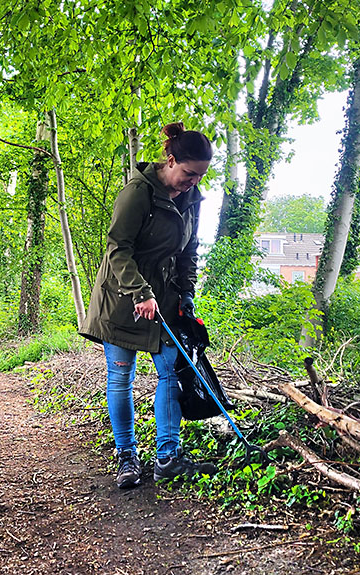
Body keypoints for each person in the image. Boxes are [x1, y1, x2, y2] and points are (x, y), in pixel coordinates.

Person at [79, 122, 217, 488]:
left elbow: (190, 251)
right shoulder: (137, 193)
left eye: (200, 176)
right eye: (189, 173)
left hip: (166, 302)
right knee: (121, 377)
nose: (193, 182)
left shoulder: (192, 198)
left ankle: (168, 457)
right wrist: (140, 292)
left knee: (170, 373)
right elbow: (117, 249)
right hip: (123, 299)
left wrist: (186, 292)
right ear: (170, 160)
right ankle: (127, 457)